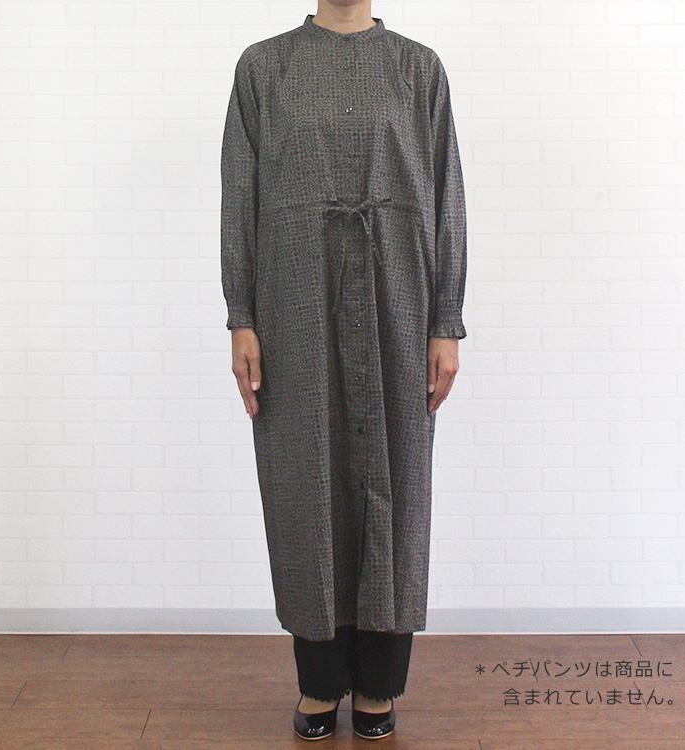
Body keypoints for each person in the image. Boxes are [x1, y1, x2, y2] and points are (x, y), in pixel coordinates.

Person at [220, 0, 467, 741]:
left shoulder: (418, 69)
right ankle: (320, 682)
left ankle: (381, 684)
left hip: (398, 299)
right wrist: (241, 316)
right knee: (307, 486)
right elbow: (239, 197)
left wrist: (445, 320)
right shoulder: (264, 67)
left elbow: (447, 198)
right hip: (295, 302)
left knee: (396, 481)